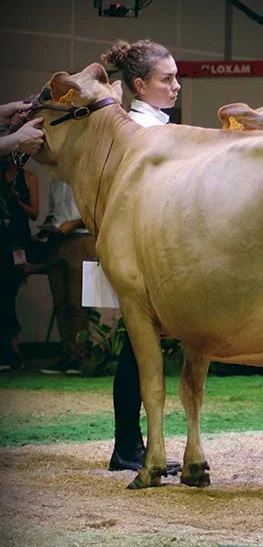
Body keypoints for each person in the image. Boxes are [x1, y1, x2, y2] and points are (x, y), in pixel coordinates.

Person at [101, 39, 181, 474]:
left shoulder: (155, 125)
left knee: (141, 348)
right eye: (166, 79)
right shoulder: (135, 130)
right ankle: (127, 446)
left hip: (156, 249)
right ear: (139, 84)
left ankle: (133, 445)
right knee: (136, 348)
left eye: (175, 77)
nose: (176, 85)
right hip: (140, 251)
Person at [40, 178, 94, 377]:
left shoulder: (83, 176)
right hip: (57, 239)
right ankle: (67, 354)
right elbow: (55, 210)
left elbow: (96, 210)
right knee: (60, 303)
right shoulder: (55, 180)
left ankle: (80, 356)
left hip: (80, 238)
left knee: (77, 303)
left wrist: (73, 223)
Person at [0, 157, 39, 371]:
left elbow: (34, 212)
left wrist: (17, 200)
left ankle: (12, 351)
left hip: (16, 245)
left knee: (8, 297)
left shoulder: (27, 178)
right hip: (5, 244)